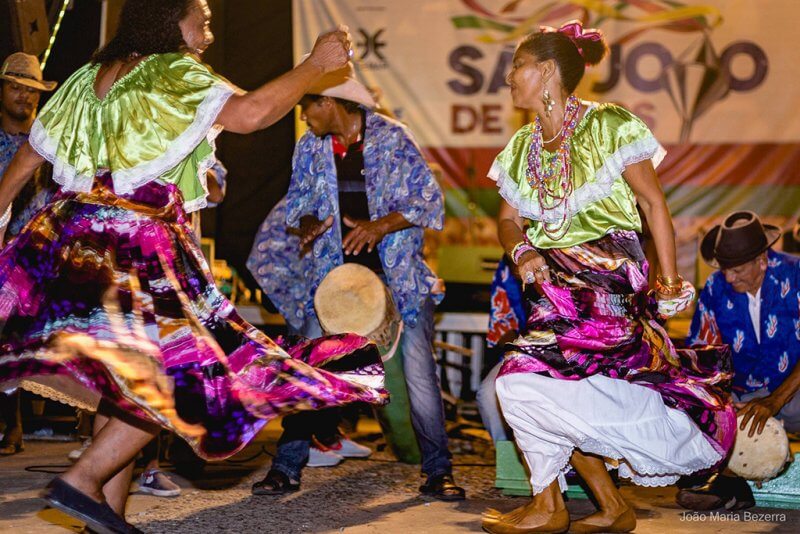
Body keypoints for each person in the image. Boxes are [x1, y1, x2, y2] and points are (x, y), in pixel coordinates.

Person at [0, 1, 387, 532]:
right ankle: (82, 479)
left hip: (73, 236)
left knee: (128, 383)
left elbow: (26, 162)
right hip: (134, 241)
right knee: (185, 378)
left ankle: (103, 516)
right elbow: (251, 114)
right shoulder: (171, 70)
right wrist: (314, 67)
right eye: (200, 22)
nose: (206, 34)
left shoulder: (87, 77)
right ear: (168, 19)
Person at [480, 21, 735, 534]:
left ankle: (550, 507)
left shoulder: (609, 126)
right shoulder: (521, 147)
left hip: (606, 278)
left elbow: (652, 203)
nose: (508, 77)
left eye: (517, 66)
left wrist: (668, 277)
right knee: (545, 389)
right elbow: (507, 220)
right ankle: (609, 506)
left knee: (520, 379)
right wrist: (523, 249)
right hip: (553, 287)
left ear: (547, 71)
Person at [247, 65, 465, 501]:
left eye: (308, 106)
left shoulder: (392, 138)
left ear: (329, 103)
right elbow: (299, 204)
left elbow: (428, 200)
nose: (304, 116)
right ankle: (286, 468)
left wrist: (379, 226)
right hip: (335, 283)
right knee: (305, 372)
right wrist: (308, 223)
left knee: (420, 378)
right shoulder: (310, 147)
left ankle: (438, 472)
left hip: (398, 278)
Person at [678, 210, 800, 510]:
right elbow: (702, 355)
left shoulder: (795, 275)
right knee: (686, 406)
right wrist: (723, 403)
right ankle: (733, 483)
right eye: (724, 269)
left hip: (793, 389)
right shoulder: (716, 288)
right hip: (742, 395)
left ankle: (729, 482)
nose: (728, 277)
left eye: (736, 269)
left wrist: (774, 401)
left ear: (762, 260)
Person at [0, 52, 57, 456]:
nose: (24, 96)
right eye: (16, 86)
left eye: (32, 90)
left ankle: (19, 423)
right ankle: (11, 423)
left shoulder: (50, 143)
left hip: (42, 256)